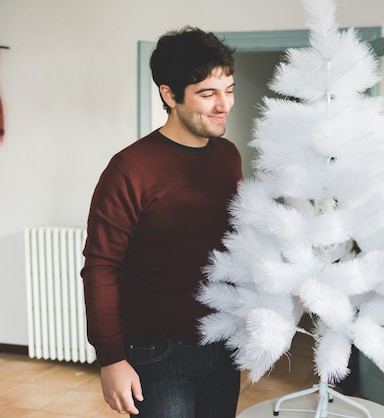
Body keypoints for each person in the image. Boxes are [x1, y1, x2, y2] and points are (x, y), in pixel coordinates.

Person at [81, 26, 242, 417]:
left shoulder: (229, 156)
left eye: (229, 90)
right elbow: (101, 266)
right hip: (158, 352)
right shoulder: (130, 169)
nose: (224, 105)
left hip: (223, 341)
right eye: (208, 94)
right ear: (169, 95)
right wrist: (111, 359)